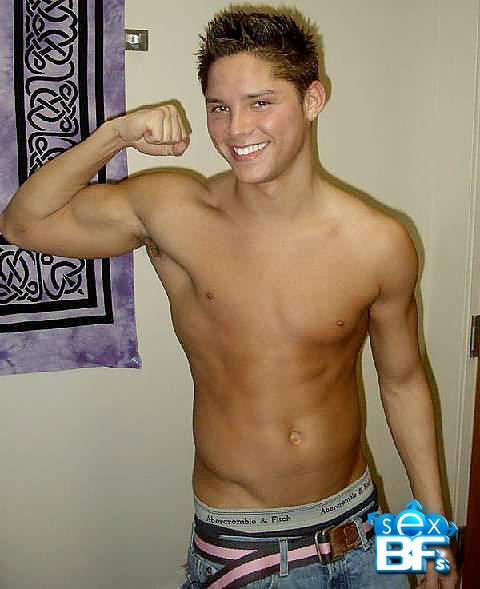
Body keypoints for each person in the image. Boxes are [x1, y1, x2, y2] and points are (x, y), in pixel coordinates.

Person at [0, 7, 458, 589]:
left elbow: (404, 381)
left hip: (364, 526)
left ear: (312, 99)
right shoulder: (176, 212)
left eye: (260, 102)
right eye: (219, 107)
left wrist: (430, 536)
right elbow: (23, 224)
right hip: (245, 550)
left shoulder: (379, 242)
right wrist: (115, 133)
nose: (237, 129)